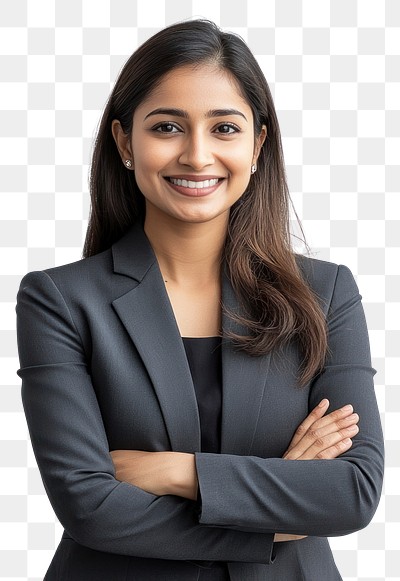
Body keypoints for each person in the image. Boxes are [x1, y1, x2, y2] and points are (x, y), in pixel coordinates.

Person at [16, 19, 384, 581]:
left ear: (258, 144)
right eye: (167, 126)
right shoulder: (61, 300)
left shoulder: (325, 294)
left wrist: (178, 473)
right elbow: (89, 507)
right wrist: (280, 506)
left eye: (225, 129)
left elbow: (353, 491)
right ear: (124, 142)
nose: (196, 155)